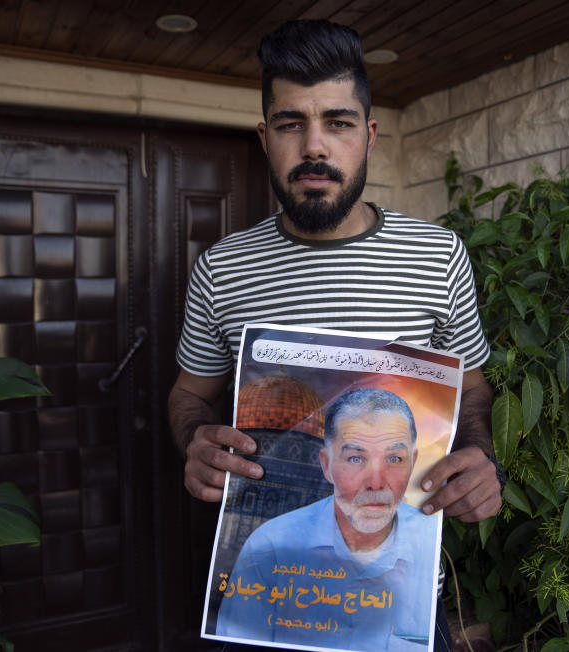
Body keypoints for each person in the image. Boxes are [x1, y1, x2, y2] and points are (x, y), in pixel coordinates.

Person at [168, 18, 506, 651]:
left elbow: (475, 390)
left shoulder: (438, 256)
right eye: (292, 124)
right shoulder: (221, 267)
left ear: (369, 136)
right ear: (266, 137)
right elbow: (188, 394)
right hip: (271, 603)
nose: (315, 147)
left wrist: (484, 460)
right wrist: (196, 441)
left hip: (401, 602)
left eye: (339, 122)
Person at [215, 389, 436, 650]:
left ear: (413, 462)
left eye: (394, 459)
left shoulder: (430, 540)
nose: (376, 484)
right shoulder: (270, 546)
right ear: (326, 464)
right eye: (356, 458)